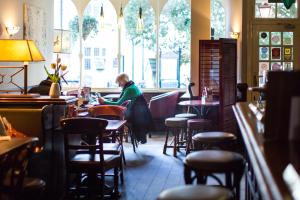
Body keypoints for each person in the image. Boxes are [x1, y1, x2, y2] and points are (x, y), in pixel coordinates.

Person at [98, 73, 153, 143]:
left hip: (130, 114)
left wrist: (104, 101)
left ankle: (104, 137)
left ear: (123, 81)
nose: (119, 85)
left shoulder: (129, 89)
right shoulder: (133, 86)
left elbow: (118, 104)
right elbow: (119, 102)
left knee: (103, 116)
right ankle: (106, 136)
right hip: (136, 113)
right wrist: (106, 101)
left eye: (119, 82)